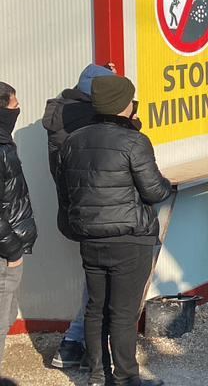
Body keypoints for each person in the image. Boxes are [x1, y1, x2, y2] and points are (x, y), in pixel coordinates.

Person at [59, 75, 170, 386]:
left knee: (95, 309)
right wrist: (165, 184)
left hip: (90, 237)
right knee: (122, 312)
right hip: (129, 238)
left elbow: (66, 191)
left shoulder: (73, 140)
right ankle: (125, 378)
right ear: (125, 106)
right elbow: (153, 192)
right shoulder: (134, 141)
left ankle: (97, 376)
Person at [41, 63, 114, 370]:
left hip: (74, 211)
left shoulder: (61, 114)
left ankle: (78, 344)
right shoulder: (88, 120)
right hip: (97, 211)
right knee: (99, 284)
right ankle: (77, 344)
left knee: (95, 281)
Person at [0, 82, 37, 374]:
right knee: (1, 317)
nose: (18, 108)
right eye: (14, 105)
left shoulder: (4, 141)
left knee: (7, 312)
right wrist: (12, 249)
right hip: (4, 251)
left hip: (8, 245)